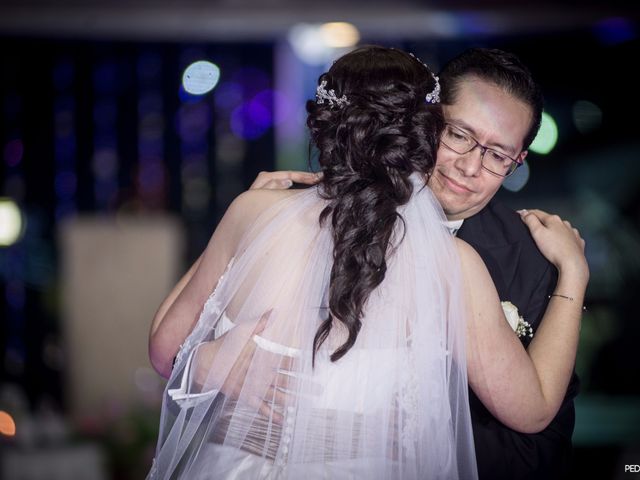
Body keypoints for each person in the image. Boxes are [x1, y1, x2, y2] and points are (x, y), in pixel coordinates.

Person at [148, 46, 588, 479]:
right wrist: (576, 272)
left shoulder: (253, 212)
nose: (470, 166)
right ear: (425, 130)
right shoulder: (455, 265)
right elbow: (532, 410)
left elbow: (165, 347)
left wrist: (251, 219)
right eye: (458, 135)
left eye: (497, 155)